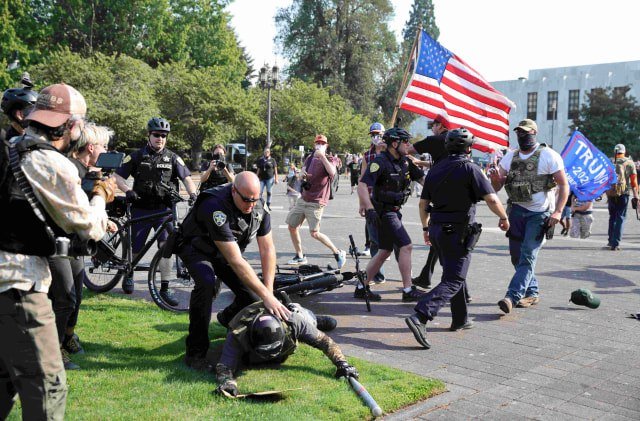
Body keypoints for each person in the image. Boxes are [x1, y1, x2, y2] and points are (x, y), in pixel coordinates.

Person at [0, 83, 115, 420]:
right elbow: (89, 227)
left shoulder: (12, 150)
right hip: (19, 286)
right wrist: (101, 195)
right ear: (72, 126)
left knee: (4, 381)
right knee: (48, 388)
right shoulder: (51, 163)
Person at [175, 171, 291, 371]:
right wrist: (267, 296)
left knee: (254, 297)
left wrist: (268, 292)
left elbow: (267, 249)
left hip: (226, 251)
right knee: (206, 283)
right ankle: (195, 353)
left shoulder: (258, 206)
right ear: (234, 190)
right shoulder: (215, 205)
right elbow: (235, 260)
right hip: (197, 248)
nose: (251, 205)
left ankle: (227, 318)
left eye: (254, 199)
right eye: (246, 200)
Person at [405, 128, 509, 349]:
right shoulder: (471, 168)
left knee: (452, 273)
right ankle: (421, 315)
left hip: (436, 229)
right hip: (458, 230)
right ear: (469, 148)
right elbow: (491, 198)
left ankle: (460, 319)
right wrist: (503, 217)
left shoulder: (434, 170)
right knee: (454, 279)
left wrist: (425, 228)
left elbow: (423, 204)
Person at [48, 123, 114, 370]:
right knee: (64, 298)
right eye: (104, 146)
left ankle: (66, 339)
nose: (107, 151)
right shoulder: (71, 171)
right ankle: (53, 354)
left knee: (74, 297)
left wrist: (104, 221)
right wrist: (100, 196)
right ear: (90, 147)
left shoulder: (86, 170)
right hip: (54, 243)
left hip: (74, 244)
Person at [489, 119, 569, 313]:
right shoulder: (510, 156)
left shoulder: (549, 155)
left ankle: (512, 296)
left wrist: (558, 212)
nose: (522, 136)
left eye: (526, 132)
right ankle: (532, 292)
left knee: (528, 255)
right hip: (516, 211)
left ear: (534, 132)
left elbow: (564, 185)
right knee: (516, 256)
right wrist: (495, 179)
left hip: (539, 214)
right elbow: (497, 187)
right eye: (519, 132)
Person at [114, 117, 198, 299]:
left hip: (164, 211)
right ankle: (129, 273)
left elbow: (187, 179)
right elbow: (118, 176)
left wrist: (193, 195)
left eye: (163, 136)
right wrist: (128, 190)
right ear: (149, 135)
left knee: (166, 247)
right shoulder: (136, 155)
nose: (160, 138)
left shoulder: (173, 158)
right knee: (135, 248)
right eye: (156, 135)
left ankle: (165, 287)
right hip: (140, 209)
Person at [215, 301, 357, 396]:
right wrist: (228, 384)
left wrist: (342, 363)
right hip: (246, 324)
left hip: (297, 316)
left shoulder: (293, 321)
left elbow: (326, 342)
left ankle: (314, 319)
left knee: (309, 319)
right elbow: (224, 367)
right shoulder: (237, 335)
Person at [356, 126, 426, 302]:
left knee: (384, 251)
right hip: (384, 212)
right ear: (395, 143)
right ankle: (408, 290)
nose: (408, 145)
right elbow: (362, 185)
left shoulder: (405, 161)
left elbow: (423, 180)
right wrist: (369, 207)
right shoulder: (379, 162)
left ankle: (361, 287)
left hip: (395, 210)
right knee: (406, 246)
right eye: (405, 142)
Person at [285, 135, 347, 268]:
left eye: (322, 143)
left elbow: (332, 172)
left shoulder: (332, 159)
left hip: (317, 201)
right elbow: (302, 173)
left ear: (326, 145)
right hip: (304, 198)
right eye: (317, 143)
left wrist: (322, 156)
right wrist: (302, 175)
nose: (319, 145)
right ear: (314, 145)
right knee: (292, 226)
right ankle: (300, 256)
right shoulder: (309, 158)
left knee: (314, 233)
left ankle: (338, 253)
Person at [408, 116, 449, 290]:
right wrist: (420, 162)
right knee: (439, 238)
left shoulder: (434, 140)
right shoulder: (453, 141)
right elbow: (440, 160)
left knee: (438, 237)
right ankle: (426, 275)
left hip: (438, 189)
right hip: (455, 189)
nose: (432, 128)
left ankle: (459, 285)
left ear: (440, 126)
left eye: (434, 125)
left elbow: (407, 149)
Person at [605, 144, 638, 250]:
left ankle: (610, 241)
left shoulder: (609, 162)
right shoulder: (629, 163)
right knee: (620, 217)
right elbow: (634, 182)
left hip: (611, 193)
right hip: (624, 193)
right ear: (624, 151)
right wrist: (636, 196)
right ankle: (615, 243)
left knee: (612, 217)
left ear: (615, 151)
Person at [1, 73, 37, 141]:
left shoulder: (7, 140)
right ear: (19, 115)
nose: (36, 115)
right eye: (32, 110)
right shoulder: (14, 143)